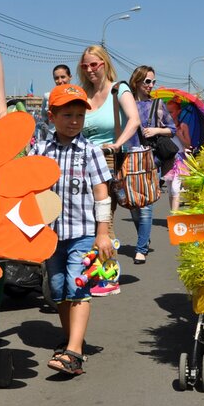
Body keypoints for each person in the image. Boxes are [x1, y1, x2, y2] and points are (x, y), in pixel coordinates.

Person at [29, 84, 114, 375]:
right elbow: (27, 188)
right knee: (58, 289)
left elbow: (102, 195)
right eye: (67, 115)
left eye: (79, 115)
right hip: (50, 236)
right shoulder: (40, 150)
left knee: (77, 285)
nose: (74, 121)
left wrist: (103, 233)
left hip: (83, 233)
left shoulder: (91, 152)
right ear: (51, 116)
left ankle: (74, 352)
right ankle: (71, 339)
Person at [79, 45, 141, 295]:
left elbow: (134, 120)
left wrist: (117, 144)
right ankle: (90, 269)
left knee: (104, 217)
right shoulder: (83, 93)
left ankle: (108, 275)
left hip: (108, 161)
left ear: (105, 63)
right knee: (87, 219)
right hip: (83, 162)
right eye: (85, 66)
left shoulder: (119, 89)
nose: (90, 70)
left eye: (95, 64)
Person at [127, 65, 176, 264]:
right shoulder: (125, 104)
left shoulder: (157, 104)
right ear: (137, 81)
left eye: (153, 81)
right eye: (147, 81)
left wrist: (156, 130)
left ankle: (140, 249)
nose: (151, 85)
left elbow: (172, 129)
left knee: (146, 205)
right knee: (132, 205)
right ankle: (144, 238)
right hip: (129, 159)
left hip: (151, 160)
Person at [164, 98, 192, 212]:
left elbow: (188, 144)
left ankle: (174, 215)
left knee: (175, 189)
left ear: (178, 112)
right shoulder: (164, 126)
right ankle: (173, 214)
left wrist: (179, 135)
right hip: (168, 159)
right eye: (167, 112)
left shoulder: (183, 126)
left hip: (179, 159)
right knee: (170, 190)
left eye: (171, 112)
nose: (169, 114)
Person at [38, 64, 73, 138]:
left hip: (72, 138)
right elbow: (45, 118)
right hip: (52, 138)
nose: (60, 81)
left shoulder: (77, 96)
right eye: (56, 78)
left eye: (63, 77)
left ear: (70, 77)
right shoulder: (47, 96)